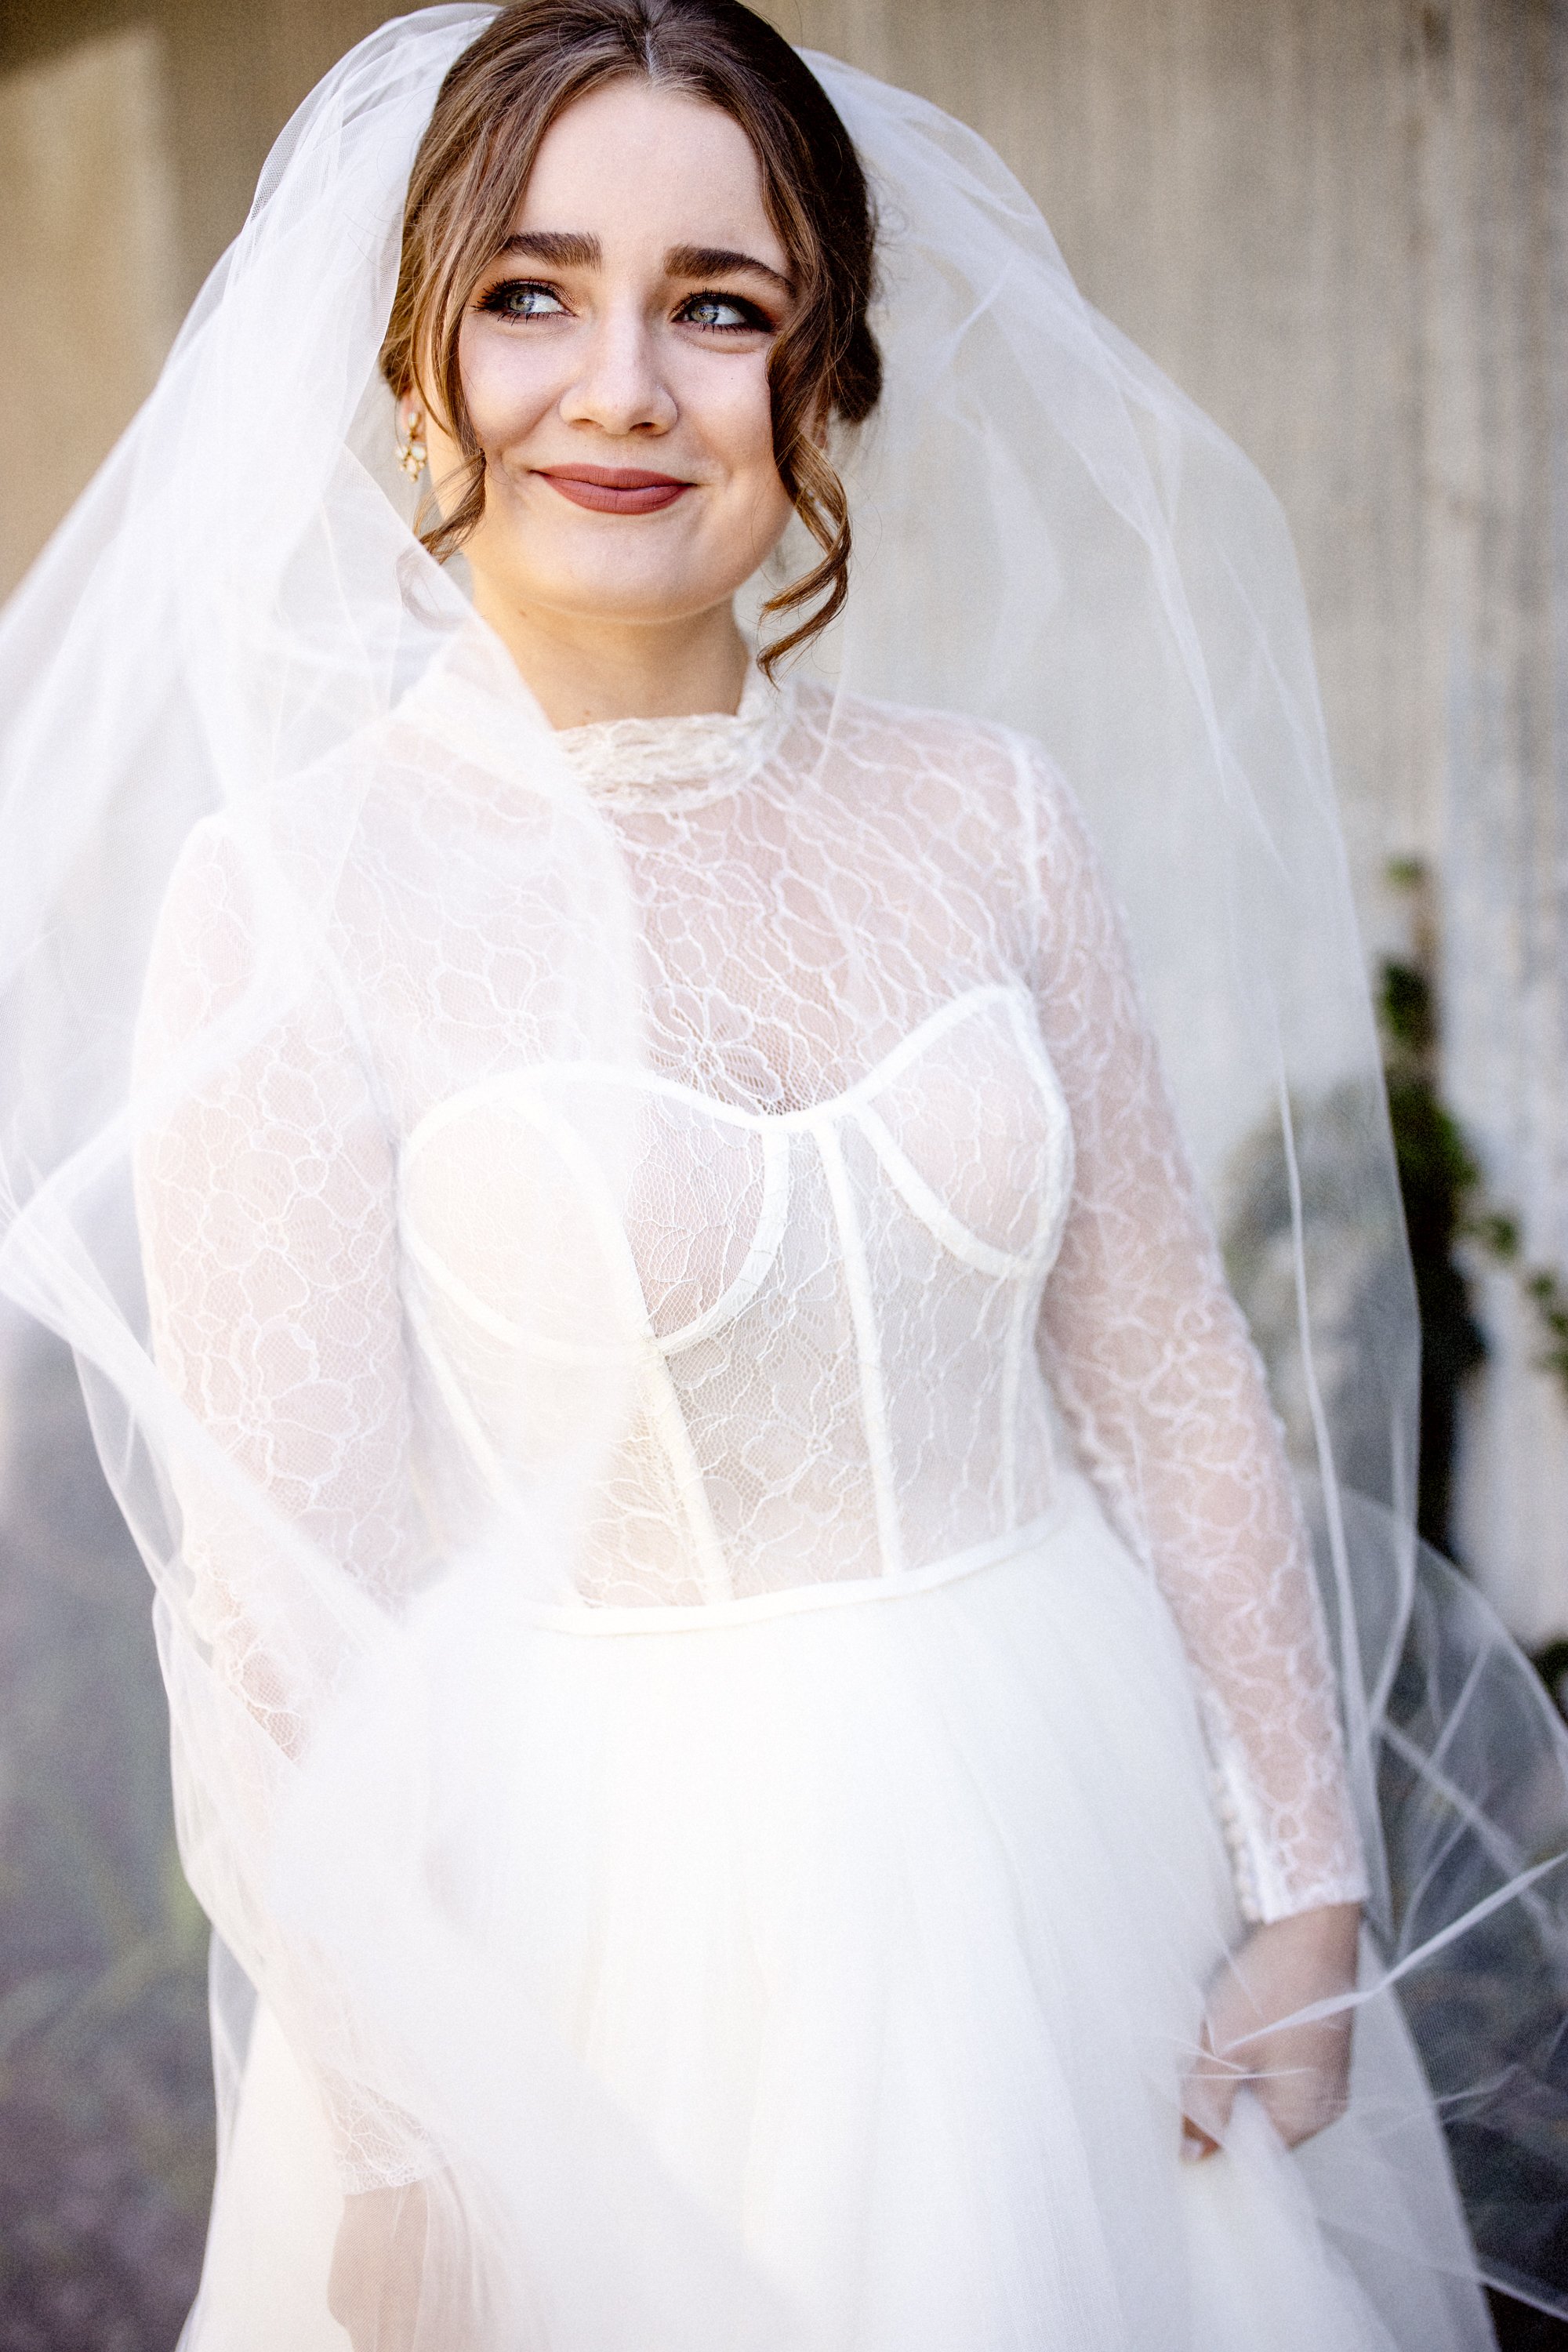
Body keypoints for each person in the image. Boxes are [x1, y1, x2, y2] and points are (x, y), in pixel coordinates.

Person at [2, 5, 1566, 2347]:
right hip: (605, 1957)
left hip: (1076, 1878)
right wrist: (415, 2120)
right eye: (531, 293)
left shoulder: (989, 818)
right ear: (417, 370)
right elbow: (284, 1604)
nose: (624, 385)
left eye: (717, 308)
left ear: (818, 385)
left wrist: (1306, 1883)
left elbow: (1162, 1359)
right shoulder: (296, 895)